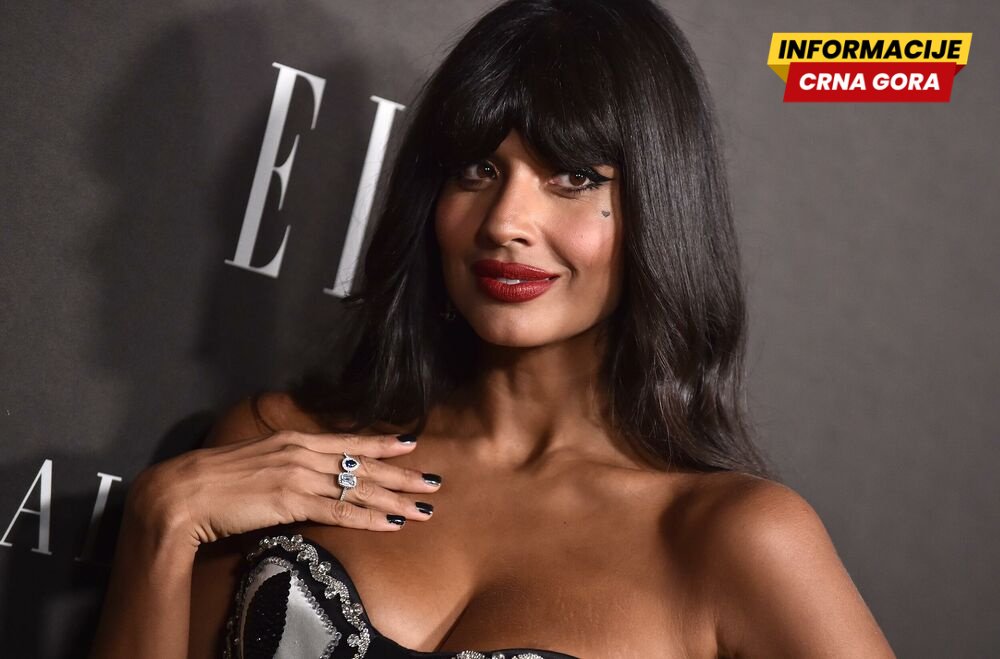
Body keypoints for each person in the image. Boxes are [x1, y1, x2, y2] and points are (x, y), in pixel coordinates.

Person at [91, 0, 896, 657]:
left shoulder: (728, 537)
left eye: (573, 177)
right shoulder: (280, 445)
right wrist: (163, 518)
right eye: (477, 168)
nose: (506, 220)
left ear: (658, 209)